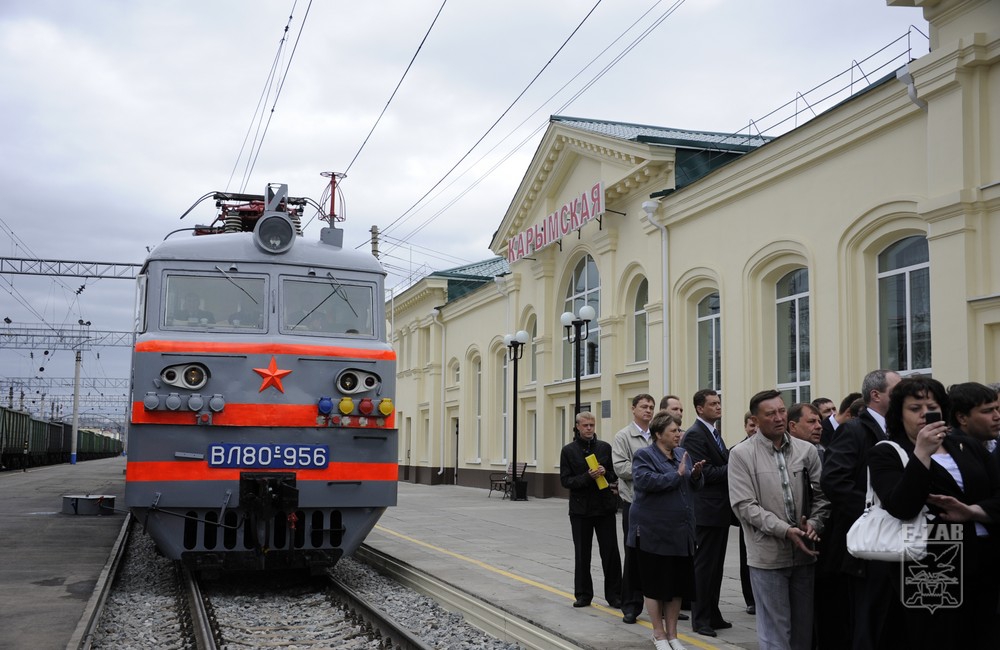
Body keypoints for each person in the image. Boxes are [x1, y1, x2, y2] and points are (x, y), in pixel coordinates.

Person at [868, 376, 1000, 649]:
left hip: (983, 560)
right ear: (899, 414)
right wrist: (921, 455)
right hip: (931, 568)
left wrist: (974, 511)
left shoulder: (966, 445)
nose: (924, 414)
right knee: (937, 638)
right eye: (914, 408)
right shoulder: (888, 452)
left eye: (931, 406)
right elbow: (901, 506)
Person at [729, 389, 830, 650]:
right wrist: (786, 530)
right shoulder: (741, 454)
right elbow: (745, 506)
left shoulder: (806, 451)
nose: (778, 417)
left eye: (782, 411)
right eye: (770, 413)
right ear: (756, 419)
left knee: (802, 633)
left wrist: (815, 524)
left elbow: (823, 496)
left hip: (805, 554)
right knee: (775, 634)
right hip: (767, 557)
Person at [820, 369, 901, 650]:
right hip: (866, 546)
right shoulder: (854, 429)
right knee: (867, 620)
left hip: (894, 542)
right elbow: (833, 480)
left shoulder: (897, 429)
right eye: (897, 391)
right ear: (876, 395)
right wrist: (874, 513)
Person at [628, 411, 704, 650]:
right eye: (673, 431)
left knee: (677, 585)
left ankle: (673, 634)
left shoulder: (683, 454)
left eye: (679, 430)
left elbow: (693, 486)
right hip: (653, 532)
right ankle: (658, 634)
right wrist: (677, 474)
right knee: (655, 585)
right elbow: (645, 481)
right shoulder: (644, 455)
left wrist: (696, 476)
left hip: (681, 532)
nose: (678, 435)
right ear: (659, 434)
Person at [681, 388, 732, 637]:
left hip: (719, 510)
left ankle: (713, 613)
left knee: (716, 567)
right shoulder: (694, 435)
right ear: (700, 408)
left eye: (719, 402)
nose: (718, 406)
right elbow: (706, 473)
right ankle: (700, 619)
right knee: (704, 567)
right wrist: (734, 467)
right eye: (713, 403)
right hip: (706, 510)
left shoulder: (713, 432)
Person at [559, 411, 623, 609]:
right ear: (577, 426)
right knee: (582, 553)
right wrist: (587, 476)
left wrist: (606, 472)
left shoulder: (604, 447)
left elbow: (614, 475)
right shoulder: (568, 451)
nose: (589, 429)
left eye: (592, 425)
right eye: (585, 425)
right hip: (580, 510)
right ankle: (583, 594)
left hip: (604, 508)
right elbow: (566, 481)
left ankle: (615, 595)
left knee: (611, 552)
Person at [612, 394, 656, 624]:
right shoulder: (623, 436)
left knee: (658, 555)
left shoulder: (658, 434)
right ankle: (631, 605)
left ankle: (660, 602)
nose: (648, 410)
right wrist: (650, 470)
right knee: (633, 555)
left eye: (651, 407)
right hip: (635, 503)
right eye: (644, 407)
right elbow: (621, 467)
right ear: (633, 409)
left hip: (658, 506)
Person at [737, 410, 758, 615]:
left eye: (757, 426)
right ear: (745, 427)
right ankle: (750, 599)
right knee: (746, 556)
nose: (755, 430)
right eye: (751, 426)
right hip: (747, 514)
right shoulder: (736, 450)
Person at [947, 382, 1000, 453]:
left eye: (997, 409)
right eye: (987, 411)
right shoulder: (949, 454)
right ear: (962, 418)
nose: (997, 417)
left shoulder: (995, 444)